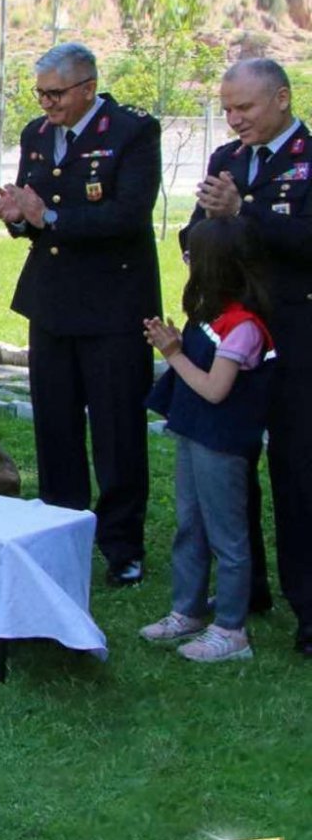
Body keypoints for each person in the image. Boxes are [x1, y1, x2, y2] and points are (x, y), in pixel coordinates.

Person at [0, 42, 161, 586]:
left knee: (116, 427)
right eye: (40, 93)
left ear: (88, 86)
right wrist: (17, 217)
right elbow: (34, 213)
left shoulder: (131, 131)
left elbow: (128, 216)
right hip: (53, 299)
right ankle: (61, 527)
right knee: (55, 423)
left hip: (113, 302)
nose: (46, 103)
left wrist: (50, 215)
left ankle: (120, 546)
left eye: (56, 93)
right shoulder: (37, 134)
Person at [181, 58, 312, 658]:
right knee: (230, 464)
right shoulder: (226, 160)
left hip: (295, 338)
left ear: (282, 99)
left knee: (296, 472)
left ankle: (306, 606)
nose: (234, 120)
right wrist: (204, 229)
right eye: (227, 108)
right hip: (232, 337)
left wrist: (245, 215)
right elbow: (194, 235)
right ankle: (246, 589)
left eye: (246, 108)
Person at [140, 217, 274, 662]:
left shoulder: (243, 326)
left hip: (223, 442)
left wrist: (172, 354)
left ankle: (232, 630)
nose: (187, 262)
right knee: (189, 526)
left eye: (192, 256)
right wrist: (177, 344)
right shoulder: (211, 316)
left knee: (227, 538)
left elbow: (216, 389)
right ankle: (188, 609)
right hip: (195, 433)